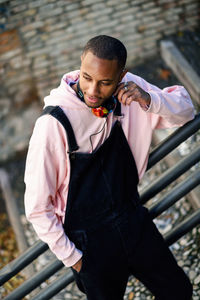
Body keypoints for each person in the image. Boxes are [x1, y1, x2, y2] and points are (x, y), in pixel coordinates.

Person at [24, 35, 194, 300]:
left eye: (105, 82)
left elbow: (186, 111)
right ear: (80, 63)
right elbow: (37, 208)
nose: (93, 91)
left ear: (121, 75)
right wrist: (77, 260)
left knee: (179, 291)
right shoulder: (52, 125)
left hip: (134, 220)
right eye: (87, 77)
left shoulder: (131, 90)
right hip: (90, 245)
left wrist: (148, 100)